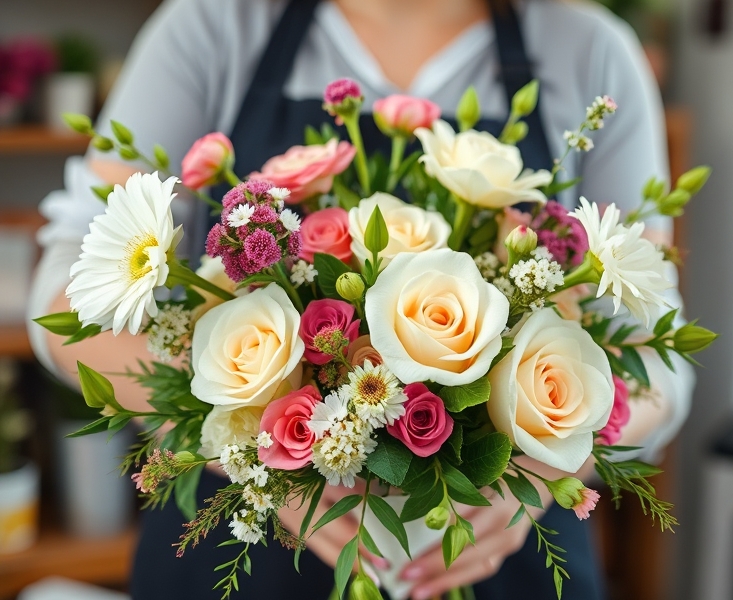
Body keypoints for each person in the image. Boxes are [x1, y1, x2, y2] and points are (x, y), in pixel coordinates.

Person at [27, 0, 694, 598]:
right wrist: (245, 442)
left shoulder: (590, 49)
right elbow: (64, 291)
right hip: (244, 545)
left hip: (498, 550)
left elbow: (658, 353)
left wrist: (542, 473)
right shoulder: (214, 23)